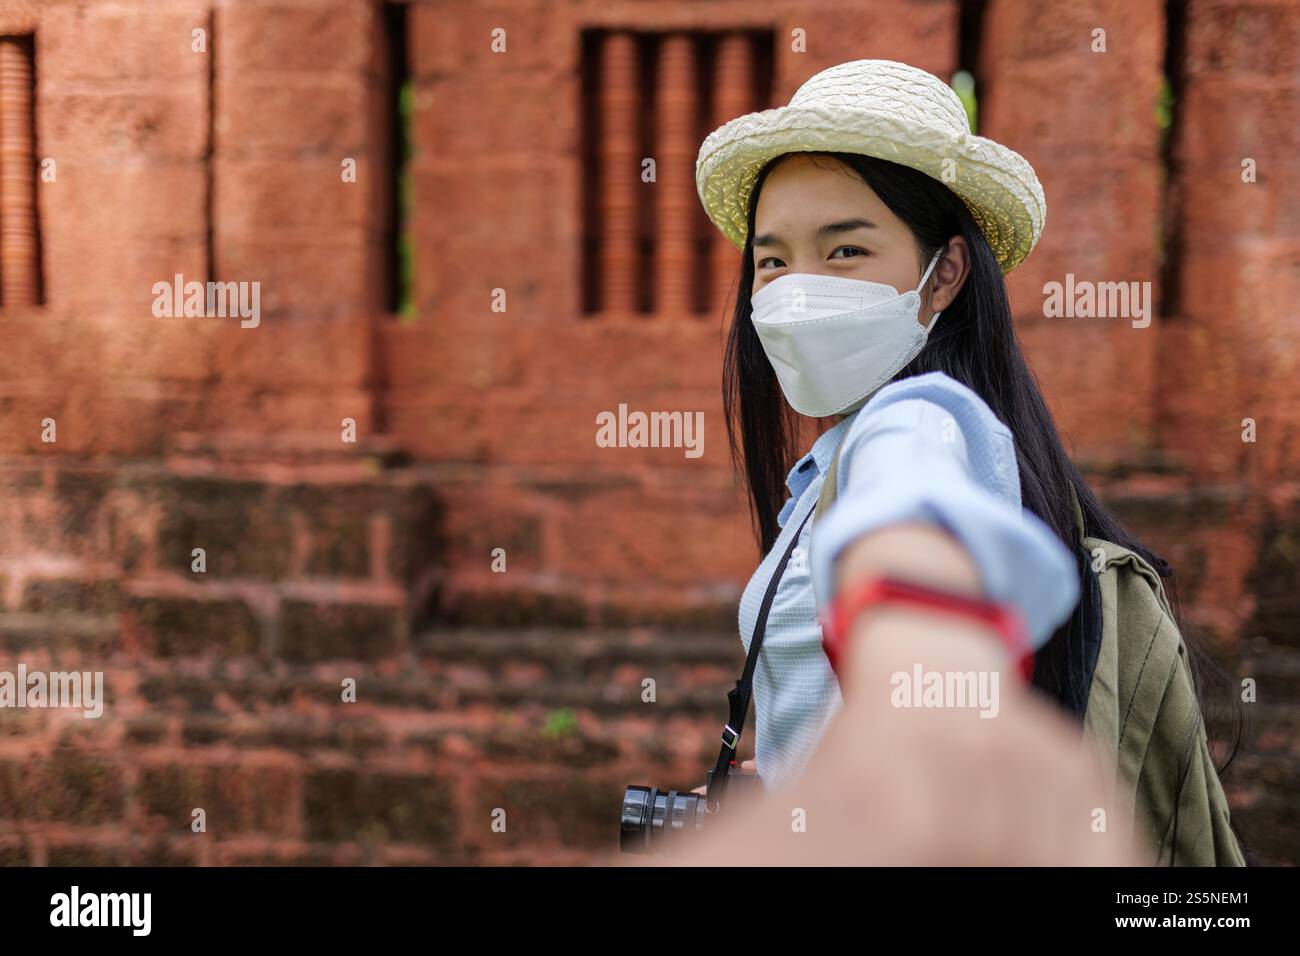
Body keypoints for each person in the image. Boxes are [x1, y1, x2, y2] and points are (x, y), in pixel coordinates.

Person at [671, 59, 1245, 865]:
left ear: (944, 273)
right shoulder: (828, 468)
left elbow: (910, 530)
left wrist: (927, 701)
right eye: (772, 261)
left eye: (844, 252)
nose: (797, 291)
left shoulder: (914, 424)